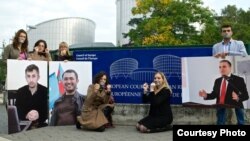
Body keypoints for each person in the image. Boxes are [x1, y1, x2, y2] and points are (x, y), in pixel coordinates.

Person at [199, 60, 249, 125]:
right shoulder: (217, 81)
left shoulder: (239, 79)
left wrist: (238, 97)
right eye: (220, 67)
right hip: (220, 109)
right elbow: (214, 94)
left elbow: (246, 95)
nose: (221, 69)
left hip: (236, 110)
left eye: (224, 66)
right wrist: (206, 95)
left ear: (230, 68)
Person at [15, 64, 48, 128]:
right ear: (25, 78)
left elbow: (48, 110)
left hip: (41, 126)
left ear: (38, 77)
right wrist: (26, 115)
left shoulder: (45, 91)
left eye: (33, 76)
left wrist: (39, 115)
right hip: (24, 126)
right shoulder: (20, 91)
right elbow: (17, 110)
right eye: (28, 76)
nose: (31, 80)